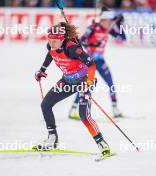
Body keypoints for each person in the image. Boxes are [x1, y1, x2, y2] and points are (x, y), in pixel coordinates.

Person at [34, 22, 111, 157]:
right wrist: (42, 70)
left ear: (62, 39)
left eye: (55, 40)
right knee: (45, 105)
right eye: (49, 39)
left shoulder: (72, 49)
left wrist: (88, 83)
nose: (51, 43)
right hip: (67, 81)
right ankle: (52, 138)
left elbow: (91, 64)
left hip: (84, 80)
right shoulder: (51, 46)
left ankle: (101, 143)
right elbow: (50, 55)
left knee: (83, 115)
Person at [69, 7, 126, 119]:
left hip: (100, 60)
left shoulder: (108, 29)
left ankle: (115, 109)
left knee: (110, 83)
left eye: (112, 21)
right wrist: (91, 45)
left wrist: (120, 25)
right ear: (104, 19)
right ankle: (74, 109)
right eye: (110, 20)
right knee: (87, 85)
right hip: (89, 61)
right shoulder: (93, 28)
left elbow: (122, 38)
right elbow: (80, 42)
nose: (111, 23)